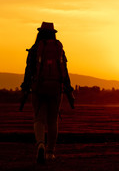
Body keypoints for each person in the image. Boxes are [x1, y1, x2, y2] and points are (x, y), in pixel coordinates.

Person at [21, 22, 75, 164]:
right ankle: (50, 153)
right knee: (52, 120)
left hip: (39, 87)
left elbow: (29, 70)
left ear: (40, 32)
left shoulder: (35, 49)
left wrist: (26, 87)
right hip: (56, 88)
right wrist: (68, 90)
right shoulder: (59, 49)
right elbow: (65, 71)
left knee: (39, 118)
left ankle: (40, 144)